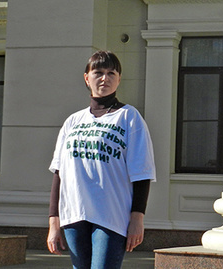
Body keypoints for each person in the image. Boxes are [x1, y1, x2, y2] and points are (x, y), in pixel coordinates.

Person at [47, 50, 156, 269]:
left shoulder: (129, 117)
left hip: (111, 217)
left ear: (119, 79)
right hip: (74, 215)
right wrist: (54, 222)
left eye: (111, 73)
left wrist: (137, 217)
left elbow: (142, 172)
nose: (104, 78)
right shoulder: (73, 121)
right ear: (87, 78)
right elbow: (59, 174)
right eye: (98, 72)